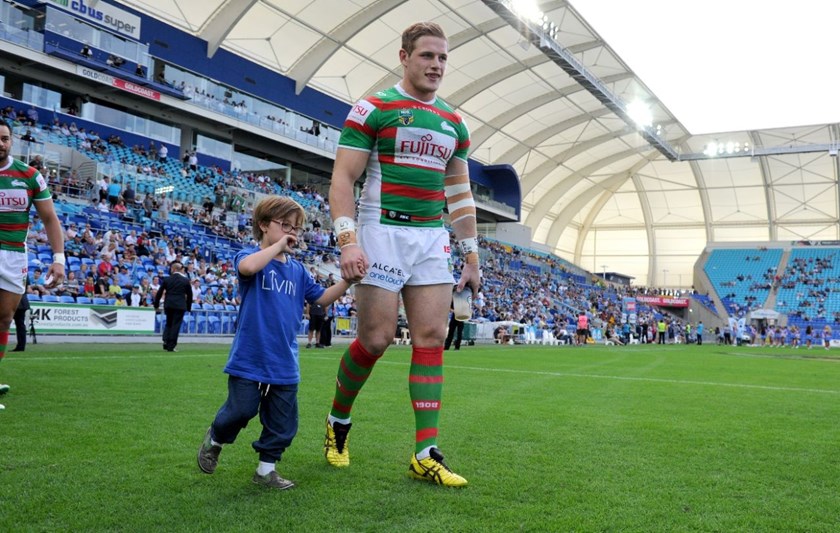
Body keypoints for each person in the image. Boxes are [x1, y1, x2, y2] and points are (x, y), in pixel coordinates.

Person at [322, 22, 479, 487]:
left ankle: (424, 452)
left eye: (443, 58)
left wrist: (471, 256)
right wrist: (348, 241)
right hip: (381, 230)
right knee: (375, 339)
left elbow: (461, 193)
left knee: (431, 337)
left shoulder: (454, 122)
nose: (436, 65)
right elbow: (342, 180)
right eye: (427, 56)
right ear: (404, 57)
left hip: (432, 237)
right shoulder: (374, 107)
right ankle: (338, 422)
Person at [196, 196, 351, 490]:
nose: (293, 233)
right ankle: (215, 437)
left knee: (283, 422)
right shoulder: (249, 256)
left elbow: (320, 299)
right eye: (285, 226)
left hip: (284, 360)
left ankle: (266, 470)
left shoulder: (298, 271)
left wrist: (347, 282)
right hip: (250, 356)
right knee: (241, 410)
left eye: (297, 229)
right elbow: (248, 268)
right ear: (264, 225)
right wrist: (277, 247)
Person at [0, 119, 66, 411]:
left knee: (4, 319)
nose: (0, 143)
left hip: (14, 256)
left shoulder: (29, 176)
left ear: (11, 141)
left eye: (4, 138)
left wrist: (58, 260)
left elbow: (50, 219)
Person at [153, 260, 192, 352]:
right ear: (180, 269)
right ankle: (171, 345)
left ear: (173, 269)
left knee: (169, 323)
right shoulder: (185, 280)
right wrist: (188, 307)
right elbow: (190, 295)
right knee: (176, 325)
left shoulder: (167, 279)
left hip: (169, 304)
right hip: (180, 306)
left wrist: (156, 304)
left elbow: (159, 292)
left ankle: (166, 341)